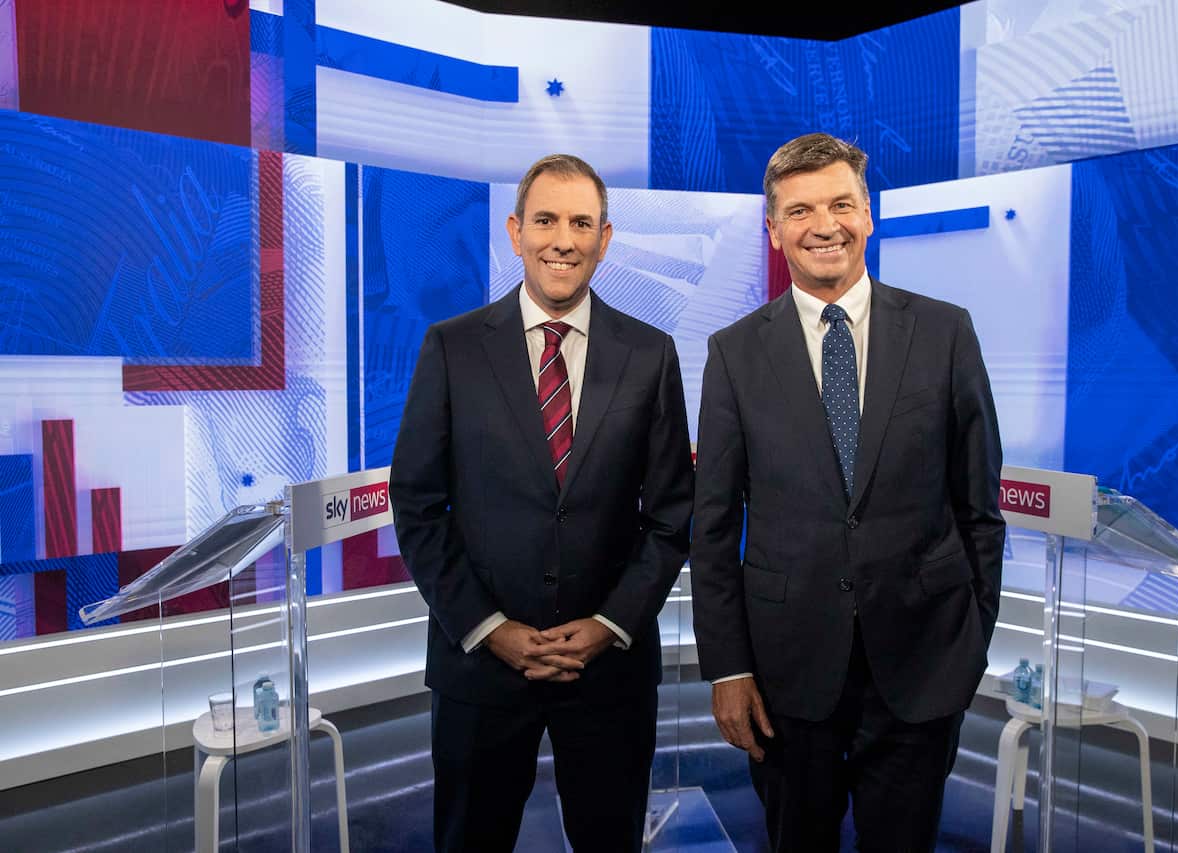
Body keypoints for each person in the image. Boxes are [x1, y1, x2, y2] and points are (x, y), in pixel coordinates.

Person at [690, 133, 1005, 852]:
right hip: (785, 676)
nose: (823, 225)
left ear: (868, 214)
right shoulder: (733, 353)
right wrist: (729, 667)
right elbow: (713, 528)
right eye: (799, 210)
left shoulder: (945, 332)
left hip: (922, 667)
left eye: (840, 204)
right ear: (774, 230)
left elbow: (979, 509)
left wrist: (969, 645)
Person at [389, 154, 694, 853]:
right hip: (480, 669)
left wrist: (610, 624)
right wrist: (488, 626)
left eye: (582, 223)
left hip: (609, 673)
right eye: (546, 220)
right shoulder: (452, 347)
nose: (563, 240)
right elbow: (418, 505)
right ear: (515, 231)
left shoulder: (651, 354)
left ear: (605, 239)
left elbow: (671, 514)